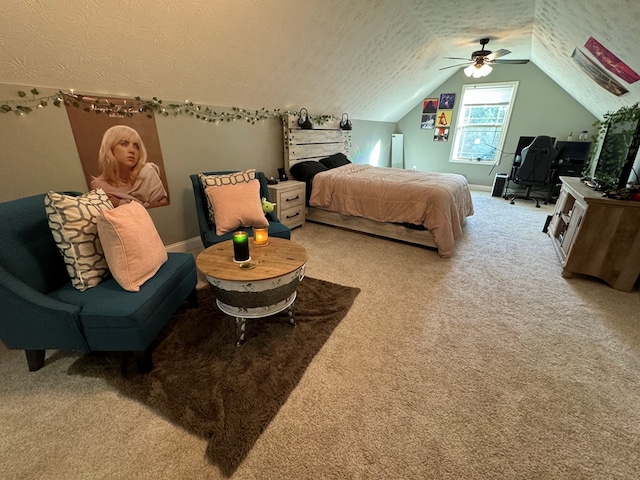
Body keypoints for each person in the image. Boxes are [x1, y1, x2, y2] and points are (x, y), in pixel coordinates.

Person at [90, 125, 168, 208]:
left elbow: (161, 209)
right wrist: (148, 206)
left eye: (136, 146)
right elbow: (113, 218)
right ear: (110, 148)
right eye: (124, 144)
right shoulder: (99, 186)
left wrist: (120, 203)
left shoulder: (147, 172)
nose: (132, 150)